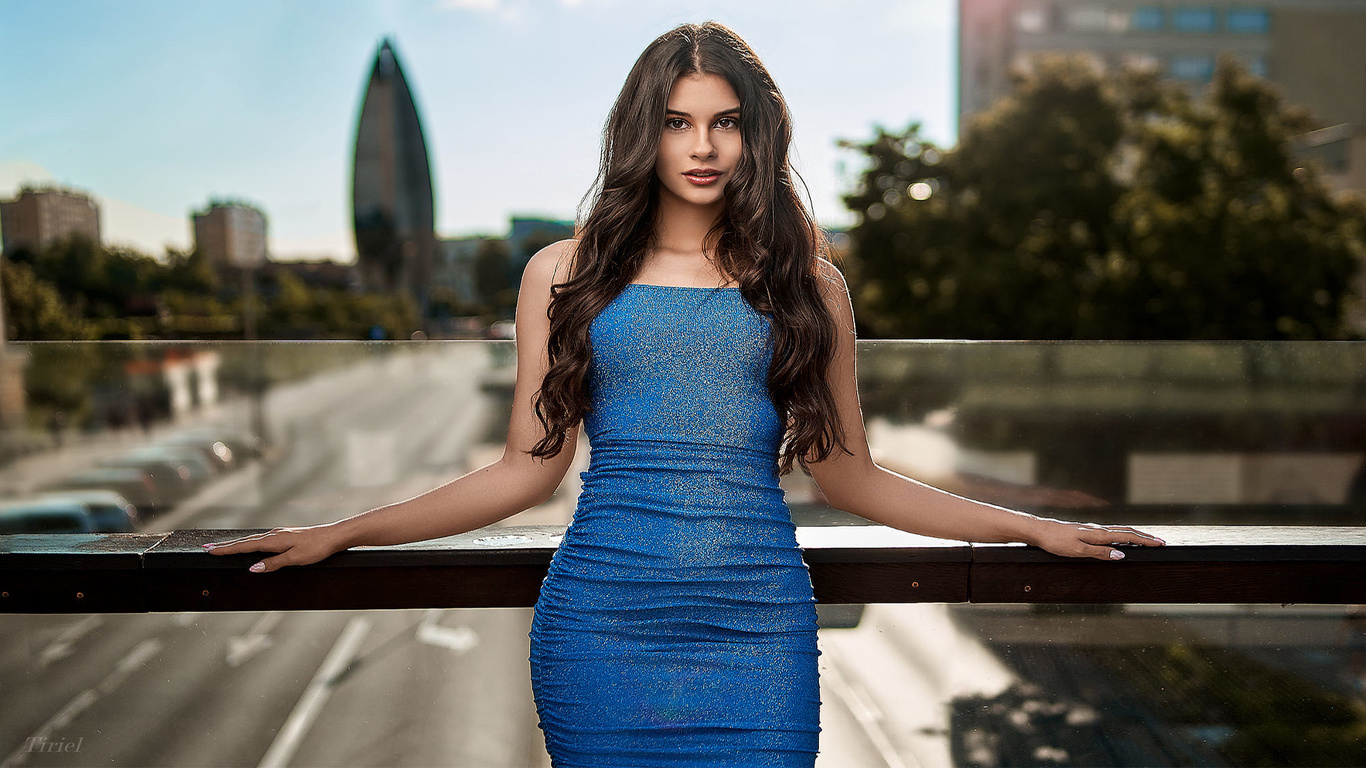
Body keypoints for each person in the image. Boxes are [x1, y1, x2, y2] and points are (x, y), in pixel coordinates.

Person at [204, 21, 1165, 767]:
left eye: (725, 121)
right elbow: (521, 476)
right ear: (643, 133)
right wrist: (344, 531)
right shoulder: (562, 273)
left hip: (758, 633)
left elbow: (853, 479)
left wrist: (1025, 525)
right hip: (602, 627)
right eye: (676, 121)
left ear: (757, 131)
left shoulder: (808, 284)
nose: (701, 146)